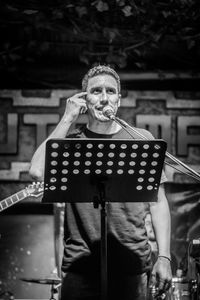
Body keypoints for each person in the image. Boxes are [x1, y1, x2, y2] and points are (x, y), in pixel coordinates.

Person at [29, 65, 172, 300]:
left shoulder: (141, 140)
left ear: (119, 99)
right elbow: (36, 171)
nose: (104, 98)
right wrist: (67, 118)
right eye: (96, 91)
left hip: (132, 263)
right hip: (81, 264)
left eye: (111, 91)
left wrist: (165, 257)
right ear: (85, 99)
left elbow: (158, 203)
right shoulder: (71, 141)